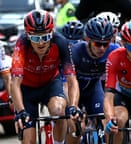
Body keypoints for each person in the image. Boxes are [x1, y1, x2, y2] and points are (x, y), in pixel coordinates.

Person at [11, 9, 81, 144]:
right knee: (29, 140)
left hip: (50, 84)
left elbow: (72, 80)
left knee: (60, 111)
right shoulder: (22, 45)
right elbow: (15, 83)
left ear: (52, 32)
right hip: (27, 89)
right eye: (36, 38)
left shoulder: (61, 42)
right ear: (27, 35)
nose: (41, 43)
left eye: (45, 37)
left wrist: (73, 106)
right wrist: (20, 111)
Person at [65, 16, 120, 144]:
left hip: (93, 90)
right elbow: (68, 83)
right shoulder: (75, 52)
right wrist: (72, 106)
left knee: (107, 122)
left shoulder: (114, 50)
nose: (102, 48)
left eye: (105, 44)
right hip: (74, 90)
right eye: (97, 43)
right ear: (88, 39)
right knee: (77, 127)